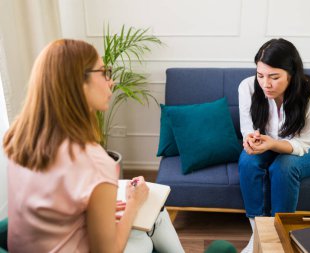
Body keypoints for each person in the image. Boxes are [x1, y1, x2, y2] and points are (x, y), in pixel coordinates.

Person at [3, 39, 184, 253]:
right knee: (145, 236)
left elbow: (54, 210)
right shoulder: (95, 162)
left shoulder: (18, 140)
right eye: (104, 72)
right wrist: (133, 203)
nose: (112, 81)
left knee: (148, 218)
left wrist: (90, 213)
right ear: (78, 83)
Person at [238, 38, 310, 253]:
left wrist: (273, 144)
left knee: (283, 167)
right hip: (269, 144)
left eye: (274, 77)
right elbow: (247, 127)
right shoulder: (247, 87)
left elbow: (302, 144)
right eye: (260, 75)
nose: (265, 84)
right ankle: (258, 234)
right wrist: (250, 139)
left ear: (292, 74)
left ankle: (280, 233)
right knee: (247, 161)